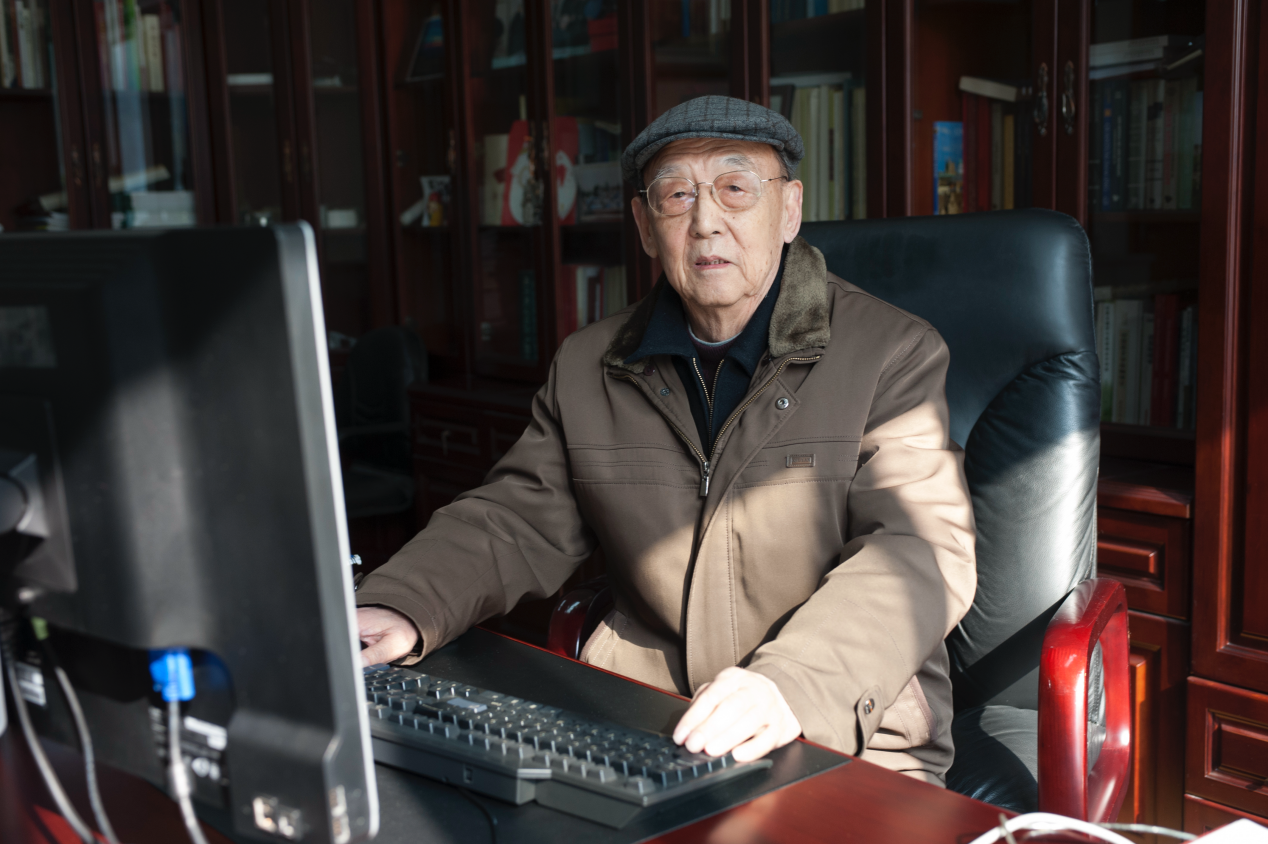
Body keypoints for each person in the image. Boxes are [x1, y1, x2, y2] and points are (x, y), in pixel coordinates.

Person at [355, 96, 976, 784]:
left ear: (790, 210)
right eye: (677, 195)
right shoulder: (590, 366)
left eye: (736, 188)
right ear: (646, 226)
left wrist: (791, 683)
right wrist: (404, 603)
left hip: (839, 731)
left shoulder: (891, 353)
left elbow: (920, 547)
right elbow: (515, 517)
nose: (705, 221)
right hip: (649, 721)